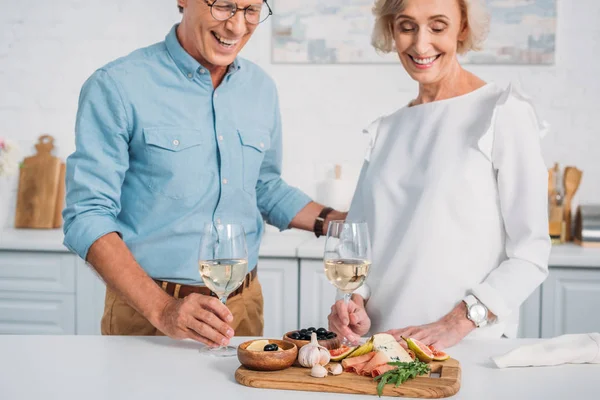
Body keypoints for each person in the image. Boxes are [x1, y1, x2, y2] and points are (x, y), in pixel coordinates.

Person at [62, 0, 346, 348]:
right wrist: (164, 309)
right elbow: (86, 216)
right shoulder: (117, 85)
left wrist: (336, 222)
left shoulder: (260, 88)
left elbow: (263, 186)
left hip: (243, 308)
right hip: (149, 315)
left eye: (251, 10)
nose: (237, 27)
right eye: (224, 6)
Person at [327, 0, 551, 350]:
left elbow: (531, 254)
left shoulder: (502, 111)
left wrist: (459, 320)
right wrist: (357, 303)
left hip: (467, 346)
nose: (420, 44)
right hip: (381, 349)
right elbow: (359, 244)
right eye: (406, 26)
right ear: (391, 30)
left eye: (437, 26)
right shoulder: (386, 129)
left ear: (462, 28)